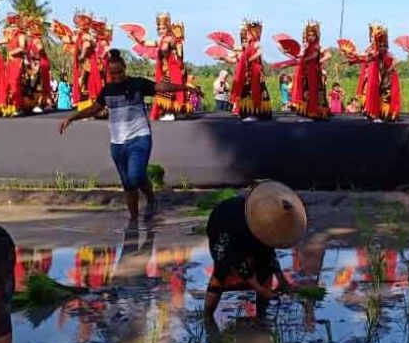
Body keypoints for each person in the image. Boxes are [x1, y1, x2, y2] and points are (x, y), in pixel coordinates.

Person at [59, 49, 202, 222]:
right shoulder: (107, 90)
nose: (117, 76)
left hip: (139, 137)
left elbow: (160, 87)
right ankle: (133, 220)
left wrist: (185, 88)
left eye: (119, 71)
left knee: (135, 176)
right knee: (128, 184)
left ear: (125, 68)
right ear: (108, 72)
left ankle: (150, 198)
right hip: (117, 143)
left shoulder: (137, 84)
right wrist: (71, 117)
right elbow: (95, 108)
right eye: (113, 73)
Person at [204, 180, 306, 318]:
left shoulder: (270, 227)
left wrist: (282, 281)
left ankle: (261, 316)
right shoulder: (235, 228)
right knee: (222, 270)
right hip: (223, 227)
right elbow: (237, 260)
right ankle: (208, 317)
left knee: (264, 266)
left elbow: (269, 254)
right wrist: (258, 287)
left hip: (248, 230)